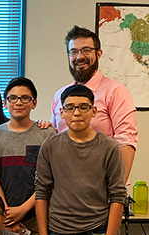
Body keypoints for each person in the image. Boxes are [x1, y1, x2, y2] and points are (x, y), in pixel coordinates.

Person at [37, 84, 126, 235]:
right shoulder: (50, 146)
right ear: (61, 112)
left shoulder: (109, 147)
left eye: (83, 107)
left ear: (93, 111)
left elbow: (118, 197)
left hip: (96, 234)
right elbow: (41, 193)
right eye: (70, 107)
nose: (76, 113)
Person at [50, 26, 137, 183]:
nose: (79, 57)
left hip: (102, 186)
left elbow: (126, 140)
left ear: (98, 54)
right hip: (65, 186)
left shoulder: (115, 91)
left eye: (86, 50)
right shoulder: (59, 95)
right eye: (74, 52)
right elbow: (55, 137)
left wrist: (116, 188)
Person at [0, 77, 56, 235]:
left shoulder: (47, 134)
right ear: (4, 102)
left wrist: (23, 209)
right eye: (13, 98)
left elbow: (49, 180)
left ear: (34, 102)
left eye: (25, 98)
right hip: (4, 218)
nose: (18, 102)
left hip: (37, 217)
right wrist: (6, 212)